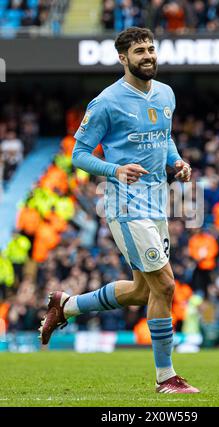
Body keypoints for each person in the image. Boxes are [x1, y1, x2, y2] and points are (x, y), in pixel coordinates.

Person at [39, 27, 199, 394]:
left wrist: (177, 162)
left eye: (151, 49)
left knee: (144, 291)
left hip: (157, 202)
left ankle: (67, 305)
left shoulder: (165, 93)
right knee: (166, 285)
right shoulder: (106, 102)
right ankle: (166, 377)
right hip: (126, 205)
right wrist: (115, 169)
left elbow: (165, 136)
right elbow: (78, 155)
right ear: (123, 58)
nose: (148, 56)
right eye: (139, 51)